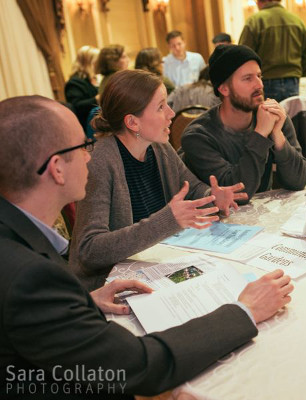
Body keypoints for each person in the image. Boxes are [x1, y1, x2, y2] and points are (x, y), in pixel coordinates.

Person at [0, 95, 293, 398]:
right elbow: (139, 365)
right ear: (57, 168)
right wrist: (245, 310)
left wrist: (81, 301)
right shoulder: (29, 279)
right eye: (82, 146)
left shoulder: (15, 240)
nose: (90, 155)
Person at [69, 70, 248, 291]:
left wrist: (212, 197)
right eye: (161, 107)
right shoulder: (100, 162)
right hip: (110, 285)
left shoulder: (159, 147)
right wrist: (167, 220)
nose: (172, 113)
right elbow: (90, 250)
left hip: (153, 268)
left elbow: (191, 188)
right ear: (133, 122)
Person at [180, 45, 306, 201]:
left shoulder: (272, 118)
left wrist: (278, 135)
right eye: (248, 78)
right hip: (218, 221)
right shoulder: (198, 136)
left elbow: (299, 181)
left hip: (262, 218)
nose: (259, 85)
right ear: (224, 89)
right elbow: (237, 195)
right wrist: (261, 134)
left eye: (259, 76)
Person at [238, 0, 306, 102]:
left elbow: (243, 55)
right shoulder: (297, 21)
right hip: (292, 81)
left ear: (261, 2)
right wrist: (298, 73)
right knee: (289, 115)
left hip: (264, 81)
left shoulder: (255, 21)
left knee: (267, 116)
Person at [65, 45, 100, 129]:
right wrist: (97, 99)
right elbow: (76, 106)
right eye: (98, 61)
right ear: (89, 63)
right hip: (88, 126)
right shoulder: (75, 82)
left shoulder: (95, 78)